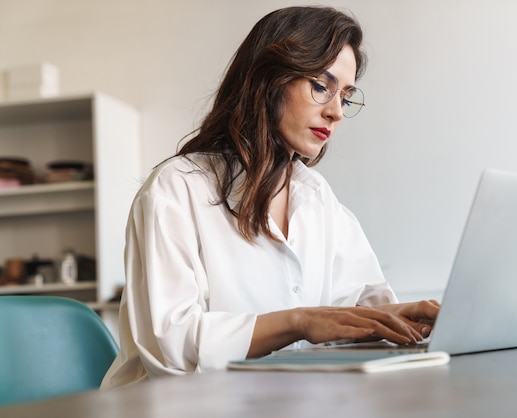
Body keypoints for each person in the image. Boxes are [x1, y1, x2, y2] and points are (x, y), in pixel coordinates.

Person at [101, 6, 439, 389]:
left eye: (345, 97)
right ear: (269, 80)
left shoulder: (317, 199)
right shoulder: (176, 188)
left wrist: (408, 315)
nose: (335, 112)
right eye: (320, 86)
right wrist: (298, 321)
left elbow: (358, 308)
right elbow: (172, 347)